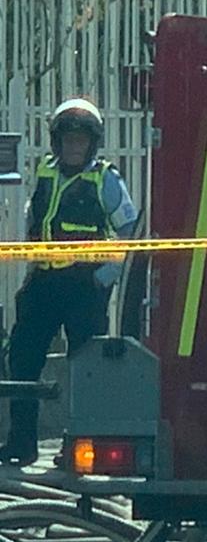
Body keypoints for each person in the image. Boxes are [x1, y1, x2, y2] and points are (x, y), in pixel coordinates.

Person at [0, 99, 138, 467]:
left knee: (86, 368)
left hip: (84, 288)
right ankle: (21, 443)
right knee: (23, 359)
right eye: (67, 140)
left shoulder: (105, 179)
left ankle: (79, 446)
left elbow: (129, 228)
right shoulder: (45, 172)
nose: (73, 147)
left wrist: (105, 275)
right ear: (56, 142)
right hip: (44, 282)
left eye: (80, 141)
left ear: (91, 144)